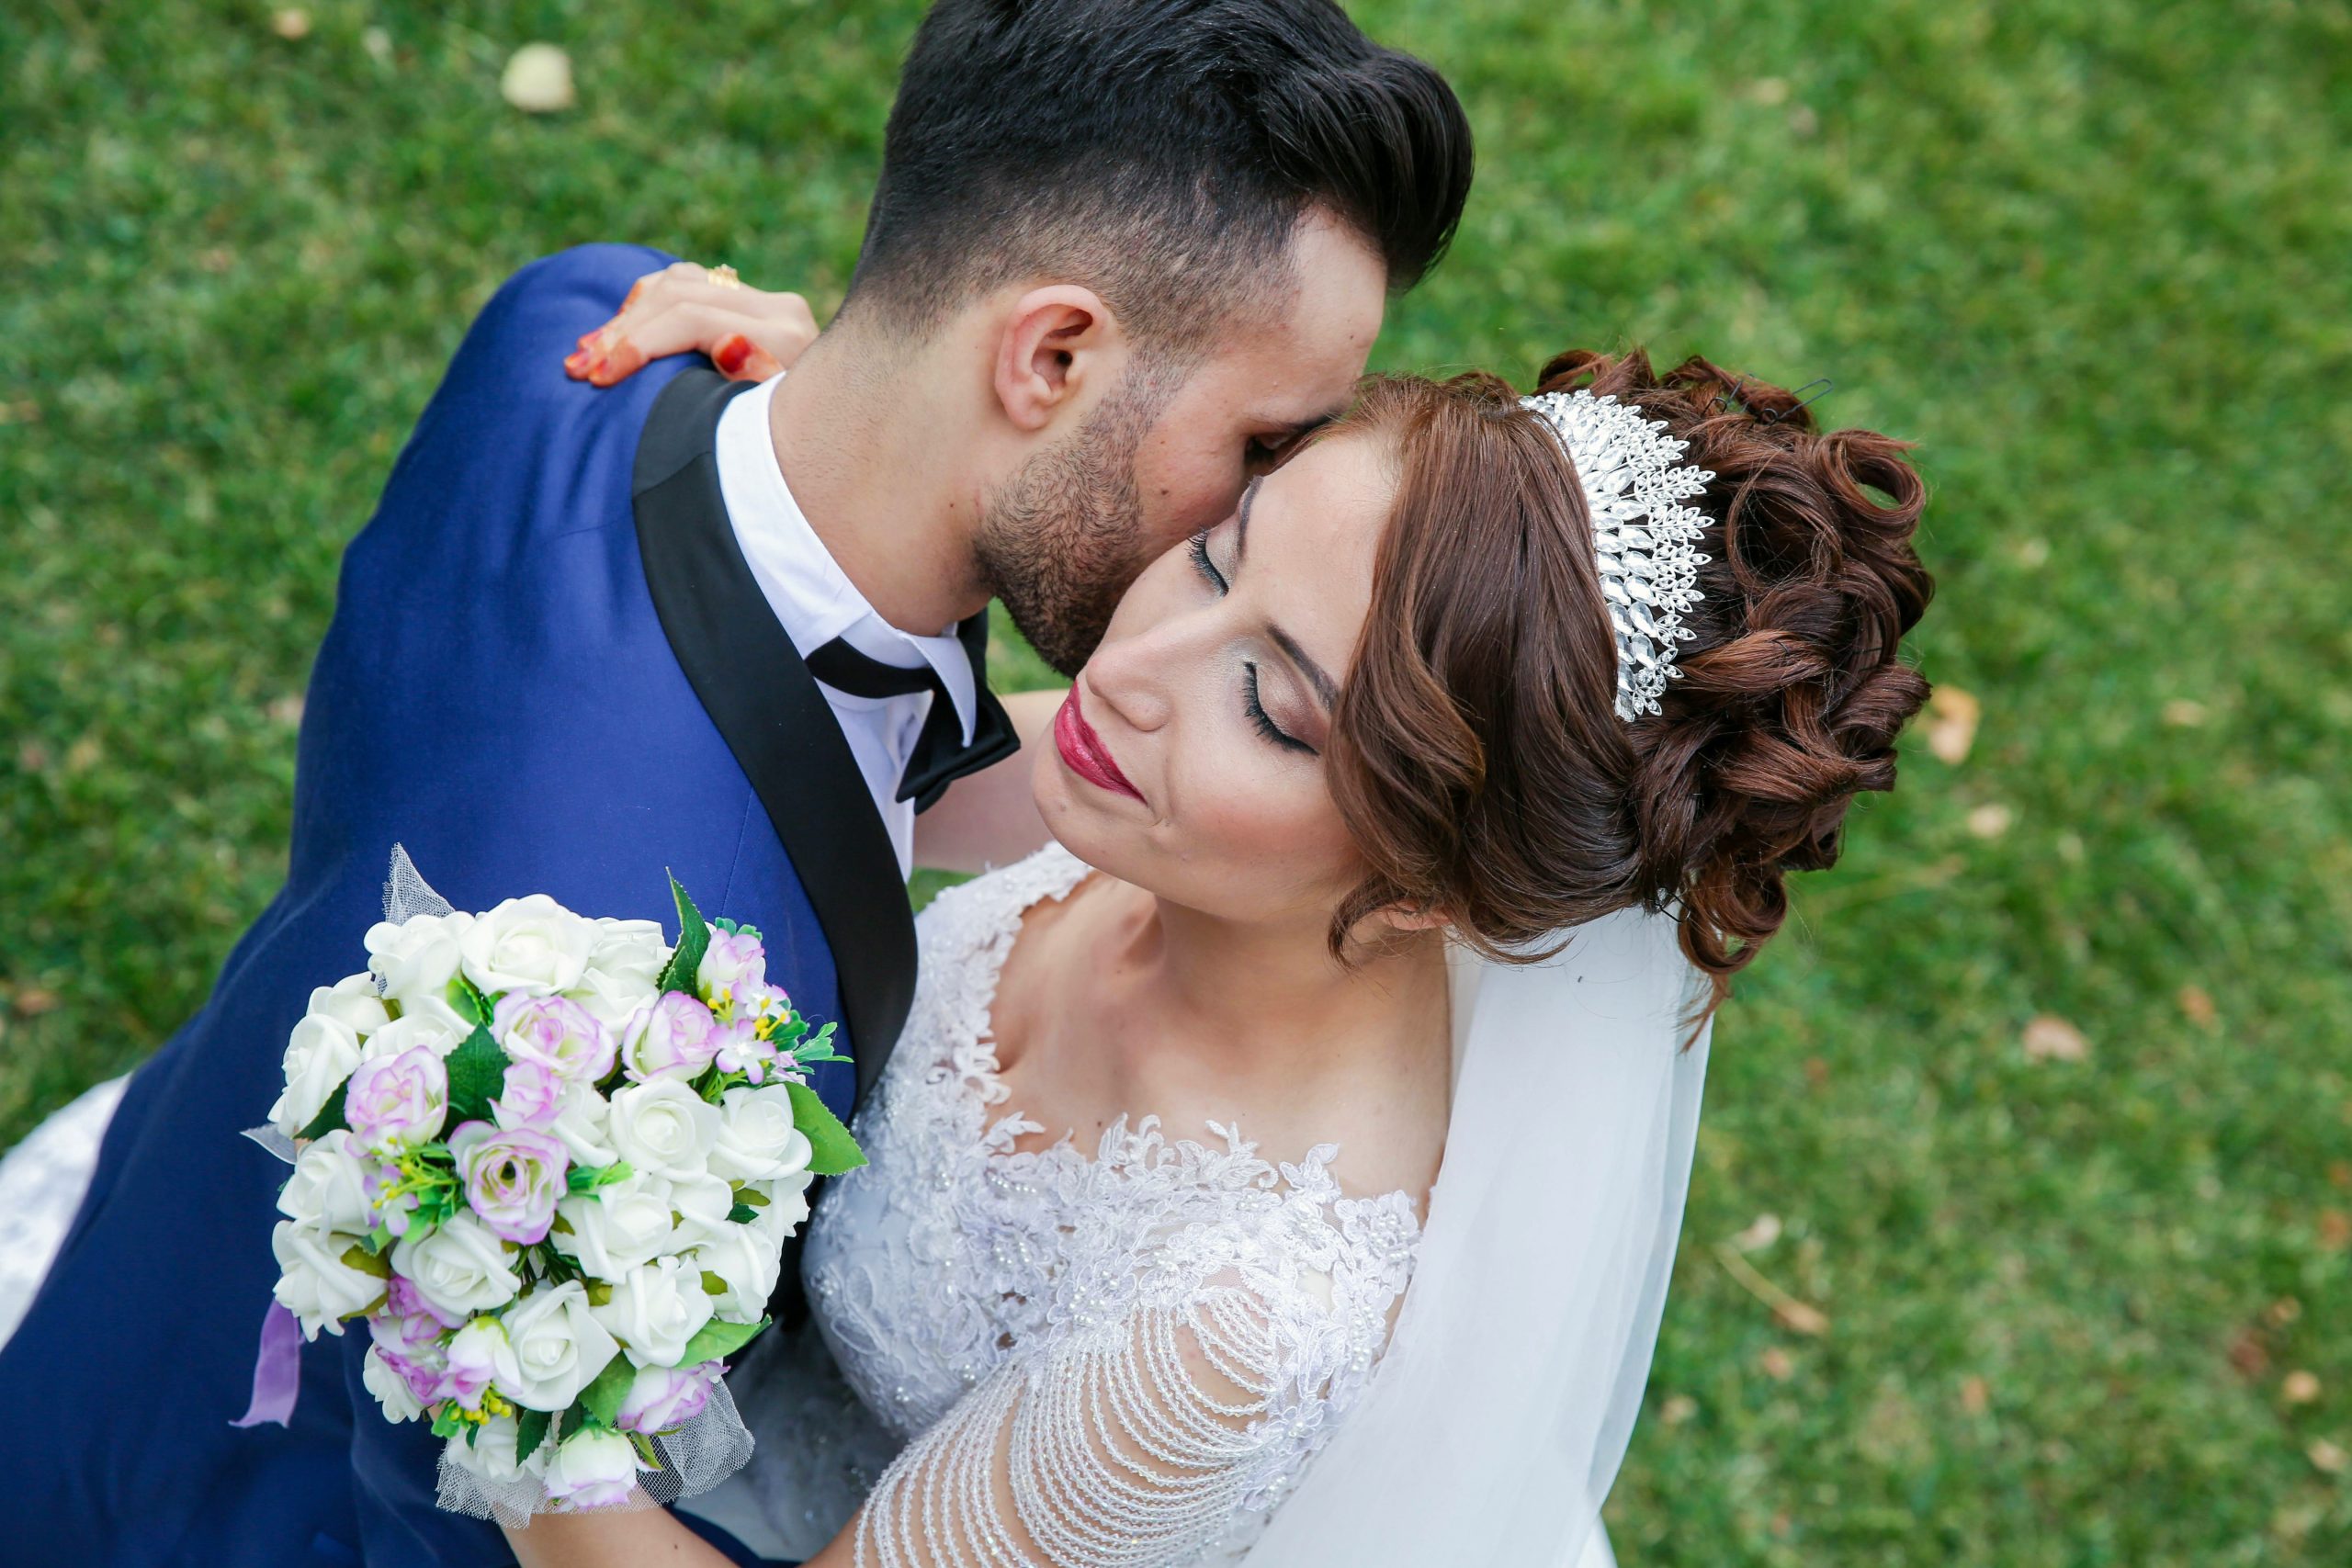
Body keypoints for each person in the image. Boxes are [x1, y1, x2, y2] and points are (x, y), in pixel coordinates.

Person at [0, 3, 1471, 1563]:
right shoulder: (620, 1015)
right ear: (1049, 357)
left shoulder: (590, 320)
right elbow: (459, 1489)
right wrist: (528, 1312)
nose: (1268, 503)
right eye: (1261, 444)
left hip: (152, 1227)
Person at [471, 319, 1932, 1565]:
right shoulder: (1153, 796)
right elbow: (861, 734)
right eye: (1219, 561)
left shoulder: (1228, 1333)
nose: (1133, 669)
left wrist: (495, 1306)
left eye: (1275, 708)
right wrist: (832, 412)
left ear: (1434, 891)